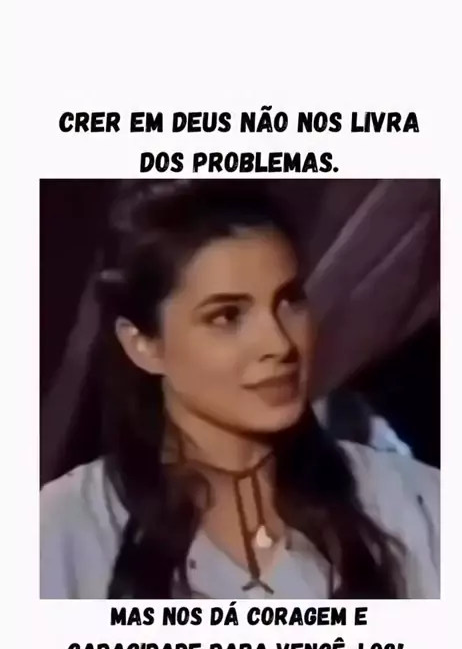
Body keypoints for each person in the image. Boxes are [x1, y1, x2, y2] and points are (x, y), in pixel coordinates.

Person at [40, 180, 439, 600]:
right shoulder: (67, 531)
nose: (279, 344)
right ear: (143, 344)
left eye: (289, 301)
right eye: (227, 316)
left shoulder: (414, 503)